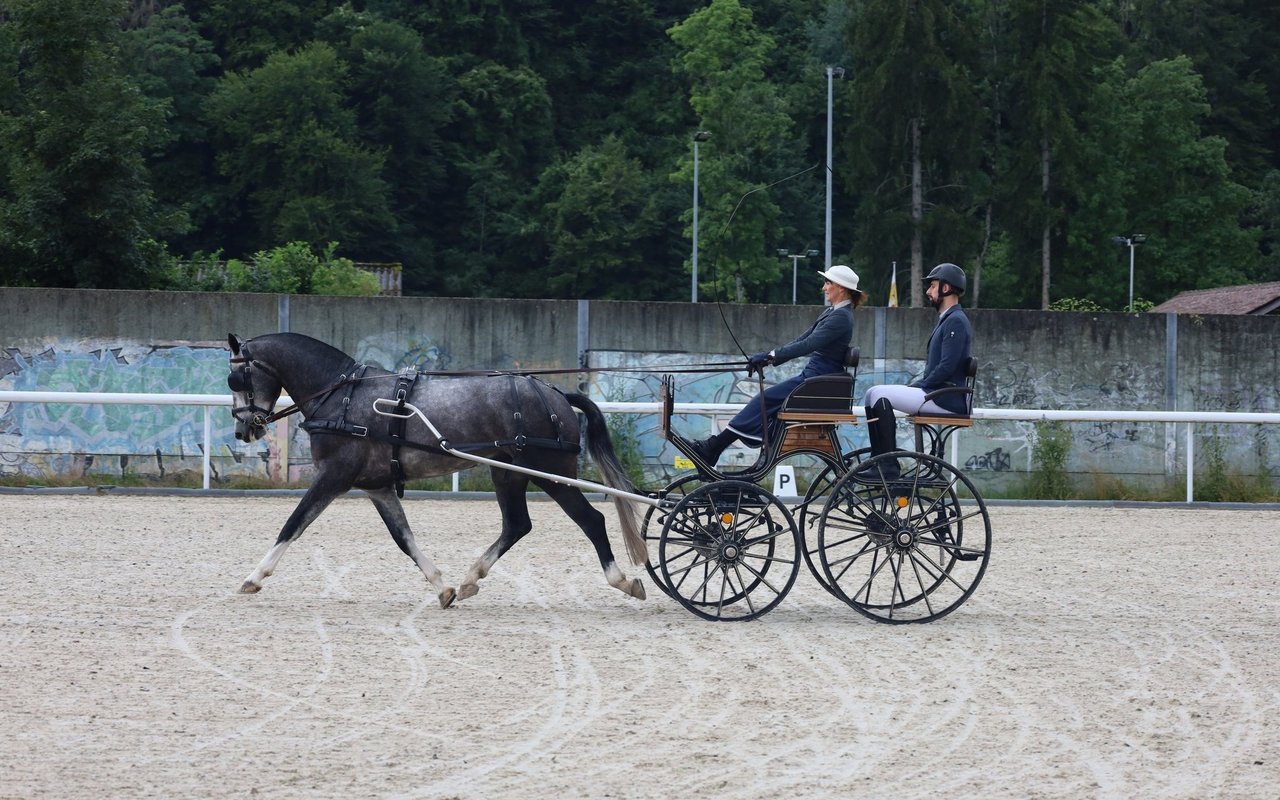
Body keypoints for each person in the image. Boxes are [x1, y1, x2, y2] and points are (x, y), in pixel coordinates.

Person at [690, 264, 866, 468]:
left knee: (762, 401)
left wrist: (771, 356)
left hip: (817, 379)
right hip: (814, 376)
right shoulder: (832, 312)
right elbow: (803, 338)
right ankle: (718, 447)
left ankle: (713, 447)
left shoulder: (841, 317)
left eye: (828, 283)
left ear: (841, 288)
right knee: (766, 403)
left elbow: (809, 345)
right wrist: (769, 358)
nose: (824, 288)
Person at [854, 262, 972, 480]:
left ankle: (887, 464)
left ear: (946, 288)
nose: (928, 291)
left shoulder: (955, 321)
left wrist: (919, 386)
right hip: (938, 393)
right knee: (872, 394)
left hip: (945, 398)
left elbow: (947, 366)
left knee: (879, 394)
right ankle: (879, 458)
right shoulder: (949, 320)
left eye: (932, 286)